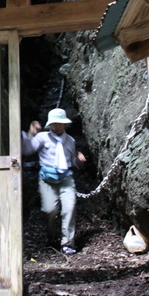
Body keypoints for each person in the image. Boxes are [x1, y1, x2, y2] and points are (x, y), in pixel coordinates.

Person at [22, 108, 86, 254]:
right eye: (54, 123)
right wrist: (31, 134)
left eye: (60, 123)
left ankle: (67, 243)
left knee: (69, 208)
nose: (57, 126)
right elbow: (27, 150)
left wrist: (78, 159)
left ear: (65, 124)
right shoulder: (42, 137)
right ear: (50, 124)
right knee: (49, 210)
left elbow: (72, 161)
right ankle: (51, 236)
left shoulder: (70, 140)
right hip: (47, 179)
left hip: (66, 178)